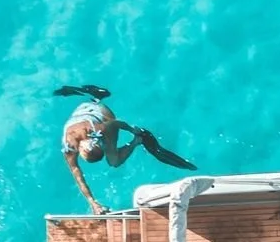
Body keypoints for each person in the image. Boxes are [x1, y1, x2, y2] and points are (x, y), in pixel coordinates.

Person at [54, 84, 195, 214]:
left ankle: (137, 141)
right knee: (112, 160)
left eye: (99, 144)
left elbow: (116, 123)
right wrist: (93, 202)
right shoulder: (69, 149)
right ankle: (96, 96)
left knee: (114, 161)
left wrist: (133, 130)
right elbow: (77, 175)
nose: (101, 144)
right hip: (81, 111)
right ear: (79, 150)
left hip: (99, 112)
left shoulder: (100, 130)